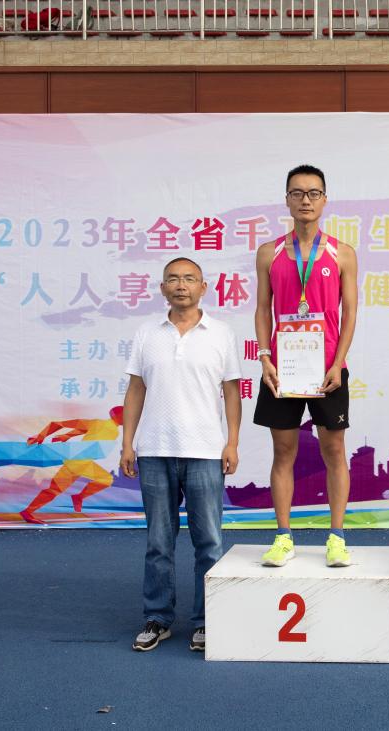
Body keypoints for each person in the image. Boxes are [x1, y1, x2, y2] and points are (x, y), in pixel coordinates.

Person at [121, 257, 242, 652]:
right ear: (162, 289)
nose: (181, 285)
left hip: (205, 450)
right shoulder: (147, 334)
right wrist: (127, 443)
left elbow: (231, 392)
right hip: (154, 449)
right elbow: (136, 390)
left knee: (209, 541)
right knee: (159, 542)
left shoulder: (221, 334)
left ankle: (208, 620)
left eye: (189, 279)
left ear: (203, 288)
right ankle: (157, 618)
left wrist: (232, 442)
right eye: (173, 279)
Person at [254, 164, 358, 568]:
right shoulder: (269, 253)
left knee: (334, 449)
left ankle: (337, 537)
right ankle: (283, 536)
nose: (305, 200)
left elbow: (350, 314)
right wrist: (265, 356)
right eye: (297, 193)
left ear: (325, 200)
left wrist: (338, 362)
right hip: (282, 369)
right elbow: (263, 309)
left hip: (327, 369)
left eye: (313, 193)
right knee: (283, 452)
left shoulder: (342, 253)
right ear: (287, 200)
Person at [19, 405, 124, 524]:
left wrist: (68, 435)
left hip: (79, 463)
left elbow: (83, 430)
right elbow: (57, 424)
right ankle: (78, 497)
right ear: (118, 415)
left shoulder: (104, 427)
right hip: (79, 463)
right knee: (105, 479)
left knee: (54, 490)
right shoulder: (101, 424)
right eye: (125, 415)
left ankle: (28, 511)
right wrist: (41, 436)